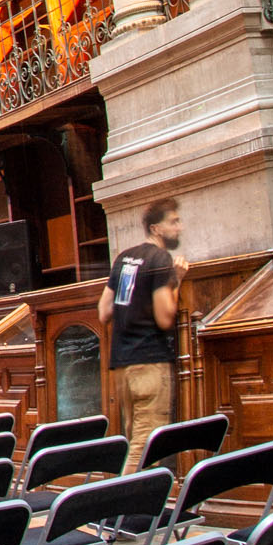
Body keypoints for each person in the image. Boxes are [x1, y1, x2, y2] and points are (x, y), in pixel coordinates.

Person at [98, 197, 186, 471]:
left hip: (123, 365)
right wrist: (177, 280)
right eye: (173, 221)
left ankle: (129, 508)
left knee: (133, 439)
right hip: (149, 361)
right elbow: (164, 317)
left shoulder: (124, 258)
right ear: (155, 228)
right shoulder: (160, 260)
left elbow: (104, 310)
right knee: (145, 449)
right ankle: (122, 508)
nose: (179, 228)